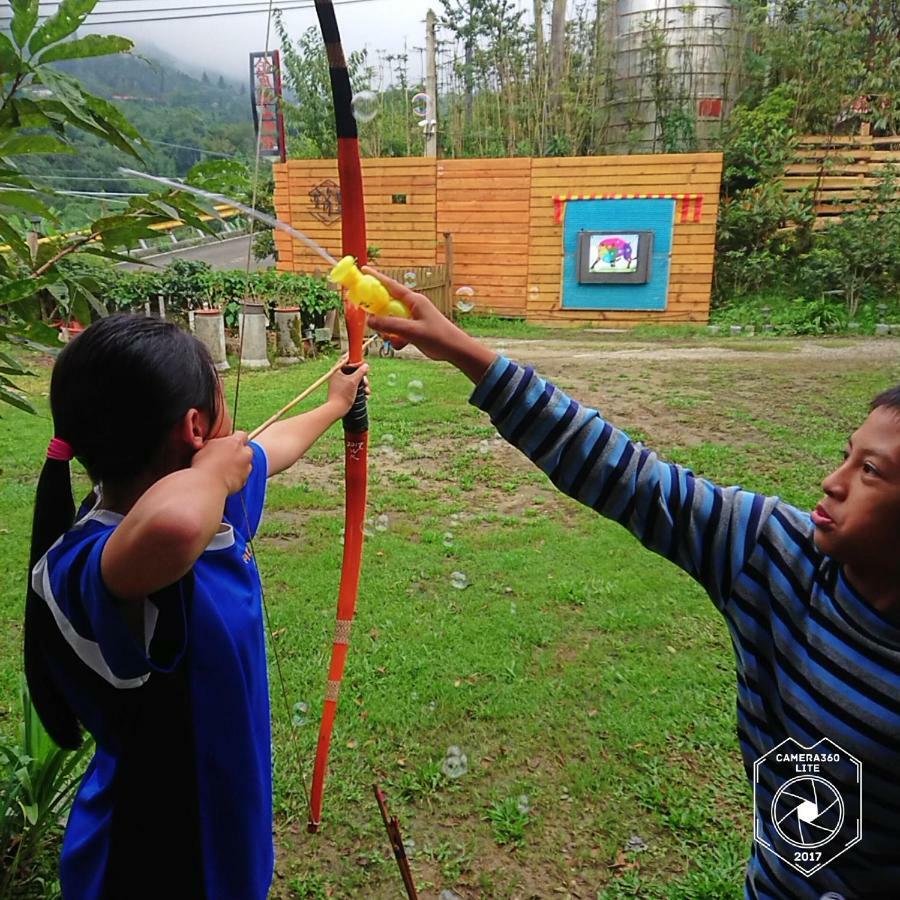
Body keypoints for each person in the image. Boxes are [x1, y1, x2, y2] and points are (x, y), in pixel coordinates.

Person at [363, 268, 900, 900]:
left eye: (870, 471)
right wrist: (461, 349)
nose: (833, 482)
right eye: (846, 454)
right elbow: (631, 478)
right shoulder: (775, 554)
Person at [25, 314, 368, 900]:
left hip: (226, 820)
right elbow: (175, 524)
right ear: (195, 429)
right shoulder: (87, 560)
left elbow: (269, 448)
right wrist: (213, 472)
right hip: (148, 858)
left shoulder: (215, 509)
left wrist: (334, 403)